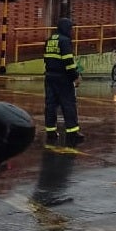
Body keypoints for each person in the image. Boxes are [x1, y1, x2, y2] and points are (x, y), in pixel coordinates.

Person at [43, 17, 83, 146]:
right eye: (71, 28)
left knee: (50, 105)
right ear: (66, 28)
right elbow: (68, 63)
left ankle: (50, 131)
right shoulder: (65, 41)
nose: (72, 31)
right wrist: (75, 76)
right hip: (63, 78)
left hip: (49, 76)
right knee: (68, 104)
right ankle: (72, 133)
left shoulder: (50, 40)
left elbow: (46, 59)